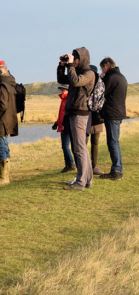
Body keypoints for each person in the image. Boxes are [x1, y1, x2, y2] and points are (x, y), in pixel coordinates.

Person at [57, 47, 95, 190]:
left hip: (81, 113)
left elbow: (76, 81)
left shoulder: (89, 73)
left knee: (79, 148)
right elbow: (62, 79)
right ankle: (87, 180)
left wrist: (70, 65)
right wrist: (62, 65)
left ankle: (80, 182)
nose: (74, 60)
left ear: (82, 58)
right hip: (74, 112)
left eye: (76, 58)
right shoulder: (77, 71)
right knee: (81, 148)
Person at [99, 57, 128, 180]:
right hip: (118, 112)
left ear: (105, 67)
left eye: (102, 69)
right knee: (115, 141)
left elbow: (101, 92)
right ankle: (117, 169)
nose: (102, 71)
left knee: (113, 142)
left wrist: (101, 79)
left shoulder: (110, 77)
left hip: (112, 113)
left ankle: (116, 171)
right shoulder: (121, 76)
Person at [52, 84, 76, 173]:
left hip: (67, 126)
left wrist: (63, 124)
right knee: (66, 146)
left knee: (66, 146)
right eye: (61, 90)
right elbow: (61, 115)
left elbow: (66, 115)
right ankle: (70, 164)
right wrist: (57, 123)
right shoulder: (63, 99)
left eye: (63, 90)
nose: (62, 91)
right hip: (64, 125)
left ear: (68, 90)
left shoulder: (67, 99)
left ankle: (71, 164)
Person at [86, 65, 104, 176]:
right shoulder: (99, 83)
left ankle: (94, 166)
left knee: (94, 143)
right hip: (90, 116)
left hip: (95, 117)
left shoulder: (99, 84)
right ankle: (88, 166)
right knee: (86, 143)